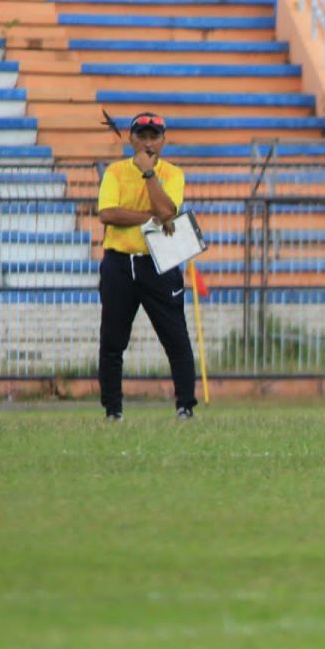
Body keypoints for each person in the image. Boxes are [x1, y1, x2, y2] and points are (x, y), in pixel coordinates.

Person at [96, 111, 197, 421]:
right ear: (131, 138)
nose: (148, 142)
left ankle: (185, 407)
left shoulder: (173, 174)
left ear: (164, 140)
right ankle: (113, 410)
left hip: (158, 263)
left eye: (155, 136)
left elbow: (167, 211)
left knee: (176, 337)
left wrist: (149, 174)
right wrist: (149, 219)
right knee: (113, 339)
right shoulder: (114, 172)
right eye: (142, 136)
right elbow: (108, 214)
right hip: (119, 263)